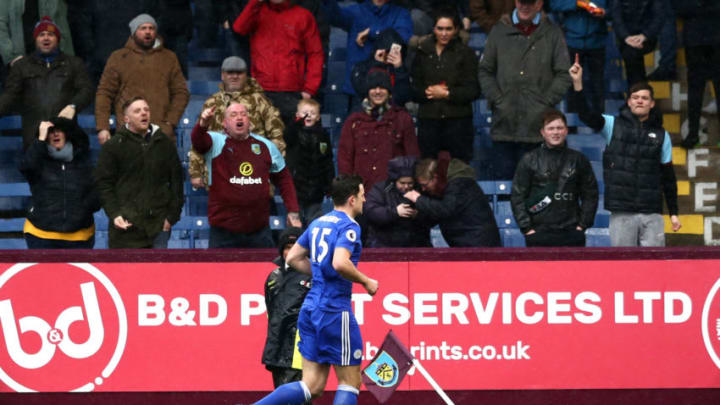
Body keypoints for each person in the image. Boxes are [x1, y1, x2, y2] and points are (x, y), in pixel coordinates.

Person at [251, 174, 379, 405]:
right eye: (362, 195)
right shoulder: (349, 226)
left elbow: (292, 257)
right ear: (351, 199)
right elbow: (340, 262)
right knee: (350, 382)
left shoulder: (319, 222)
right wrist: (366, 281)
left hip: (310, 308)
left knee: (312, 385)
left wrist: (319, 271)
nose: (365, 200)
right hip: (334, 309)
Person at [570, 60, 682, 246]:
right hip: (622, 211)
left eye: (644, 98)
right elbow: (585, 115)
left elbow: (668, 177)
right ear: (629, 102)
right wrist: (578, 84)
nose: (640, 100)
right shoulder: (612, 125)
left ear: (652, 104)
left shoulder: (663, 136)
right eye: (635, 97)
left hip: (652, 211)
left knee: (655, 269)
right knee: (624, 268)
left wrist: (674, 213)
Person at [478, 0, 571, 180]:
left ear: (539, 4)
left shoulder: (552, 32)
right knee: (504, 189)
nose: (525, 6)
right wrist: (498, 99)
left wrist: (545, 101)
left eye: (530, 2)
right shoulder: (498, 31)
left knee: (539, 192)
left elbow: (564, 73)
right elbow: (485, 70)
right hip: (504, 128)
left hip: (539, 129)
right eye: (522, 2)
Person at [191, 102, 302, 248]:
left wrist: (293, 212)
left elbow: (284, 179)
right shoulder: (215, 141)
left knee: (264, 271)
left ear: (249, 121)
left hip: (259, 231)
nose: (239, 118)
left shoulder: (266, 146)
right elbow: (198, 141)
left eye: (243, 114)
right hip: (223, 233)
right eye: (234, 115)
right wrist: (203, 123)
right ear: (225, 123)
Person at [94, 96, 184, 249]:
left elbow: (177, 182)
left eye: (146, 110)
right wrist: (115, 214)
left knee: (157, 273)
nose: (144, 113)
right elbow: (104, 184)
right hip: (125, 228)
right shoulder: (113, 146)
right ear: (126, 119)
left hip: (158, 228)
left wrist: (171, 217)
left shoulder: (164, 144)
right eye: (137, 111)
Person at [187, 56, 286, 189]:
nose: (234, 76)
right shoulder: (212, 103)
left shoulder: (260, 101)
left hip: (255, 175)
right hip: (221, 174)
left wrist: (272, 167)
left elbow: (276, 136)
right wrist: (195, 171)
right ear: (222, 75)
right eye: (230, 72)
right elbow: (200, 139)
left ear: (246, 75)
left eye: (239, 73)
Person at [95, 13, 189, 144]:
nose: (148, 32)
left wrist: (170, 122)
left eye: (151, 28)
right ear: (133, 32)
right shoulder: (118, 58)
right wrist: (103, 127)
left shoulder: (169, 58)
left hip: (161, 134)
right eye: (143, 28)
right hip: (128, 134)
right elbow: (104, 93)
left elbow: (181, 92)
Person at [0, 16, 92, 149]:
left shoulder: (74, 64)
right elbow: (9, 96)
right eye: (41, 34)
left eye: (51, 34)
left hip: (65, 137)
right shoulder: (21, 66)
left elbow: (86, 90)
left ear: (58, 39)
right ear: (35, 39)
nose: (46, 38)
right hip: (34, 139)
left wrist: (73, 106)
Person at [511, 109, 598, 247]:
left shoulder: (579, 159)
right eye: (550, 128)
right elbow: (517, 195)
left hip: (572, 232)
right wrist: (527, 229)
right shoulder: (529, 159)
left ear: (566, 131)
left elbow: (590, 194)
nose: (555, 132)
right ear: (542, 132)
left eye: (559, 128)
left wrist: (582, 226)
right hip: (538, 233)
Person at [232, 0, 324, 125]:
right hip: (261, 90)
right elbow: (239, 28)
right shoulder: (257, 12)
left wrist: (309, 89)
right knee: (260, 142)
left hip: (292, 92)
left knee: (293, 141)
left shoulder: (303, 16)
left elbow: (315, 53)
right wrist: (255, 2)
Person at [411, 7, 481, 162]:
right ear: (433, 29)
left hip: (458, 123)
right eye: (440, 28)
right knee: (428, 172)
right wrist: (428, 92)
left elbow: (473, 90)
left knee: (460, 170)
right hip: (429, 121)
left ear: (456, 29)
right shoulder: (422, 52)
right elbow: (414, 88)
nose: (444, 33)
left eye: (448, 29)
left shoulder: (466, 53)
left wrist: (447, 94)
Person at [19, 118, 100, 249]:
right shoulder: (39, 160)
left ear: (67, 134)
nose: (55, 134)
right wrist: (40, 139)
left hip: (80, 236)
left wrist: (84, 209)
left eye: (59, 130)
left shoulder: (83, 161)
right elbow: (26, 167)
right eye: (50, 132)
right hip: (41, 236)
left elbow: (97, 192)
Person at [337, 69, 419, 192]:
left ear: (389, 92)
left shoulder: (402, 118)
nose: (378, 92)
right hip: (362, 192)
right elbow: (345, 158)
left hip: (392, 192)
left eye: (382, 88)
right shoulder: (354, 121)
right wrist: (348, 190)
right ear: (367, 92)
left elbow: (412, 156)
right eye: (373, 88)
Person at [323, 0, 413, 109]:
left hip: (389, 91)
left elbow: (402, 36)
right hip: (359, 89)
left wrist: (372, 32)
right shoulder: (355, 11)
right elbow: (333, 17)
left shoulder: (401, 14)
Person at [404, 152, 501, 247]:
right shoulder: (445, 186)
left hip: (479, 244)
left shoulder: (458, 184)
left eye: (424, 185)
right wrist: (418, 215)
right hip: (470, 242)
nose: (423, 189)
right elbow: (437, 214)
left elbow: (446, 209)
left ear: (435, 178)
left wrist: (418, 199)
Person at [262, 227, 312, 388]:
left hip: (299, 350)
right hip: (277, 348)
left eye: (295, 246)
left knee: (298, 396)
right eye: (287, 247)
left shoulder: (313, 275)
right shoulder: (273, 277)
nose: (291, 252)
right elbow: (271, 313)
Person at [672, 0, 720, 149]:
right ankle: (693, 134)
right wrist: (704, 5)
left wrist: (698, 6)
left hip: (717, 41)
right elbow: (678, 7)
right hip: (694, 42)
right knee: (695, 90)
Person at [549, 0, 609, 115]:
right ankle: (571, 121)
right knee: (571, 83)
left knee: (597, 84)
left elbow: (614, 9)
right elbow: (553, 4)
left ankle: (600, 121)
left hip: (597, 41)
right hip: (572, 42)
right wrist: (576, 4)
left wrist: (604, 12)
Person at [285, 98, 335, 226]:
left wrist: (330, 185)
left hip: (316, 187)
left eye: (312, 113)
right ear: (297, 115)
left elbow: (328, 161)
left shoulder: (323, 135)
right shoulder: (294, 133)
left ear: (318, 117)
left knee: (314, 220)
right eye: (304, 113)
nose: (308, 116)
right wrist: (297, 122)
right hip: (296, 185)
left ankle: (313, 242)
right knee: (296, 221)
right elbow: (287, 135)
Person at [365, 155, 433, 247]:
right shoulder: (382, 190)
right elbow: (371, 211)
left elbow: (433, 213)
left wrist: (418, 214)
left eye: (410, 183)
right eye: (402, 183)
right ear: (394, 181)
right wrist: (395, 212)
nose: (406, 187)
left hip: (415, 244)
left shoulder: (420, 190)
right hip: (384, 244)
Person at [0, 1, 75, 68]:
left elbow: (61, 25)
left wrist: (66, 58)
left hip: (52, 60)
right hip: (20, 60)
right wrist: (11, 56)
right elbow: (1, 25)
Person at [350, 28, 411, 107]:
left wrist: (399, 68)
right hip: (367, 112)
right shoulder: (363, 67)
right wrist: (377, 64)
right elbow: (362, 90)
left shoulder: (402, 68)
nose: (390, 55)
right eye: (387, 51)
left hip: (395, 114)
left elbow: (403, 97)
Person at [610, 0, 664, 86]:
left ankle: (636, 92)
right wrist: (626, 37)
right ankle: (639, 91)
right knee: (630, 53)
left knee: (631, 54)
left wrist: (644, 35)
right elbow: (616, 16)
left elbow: (659, 17)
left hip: (647, 37)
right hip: (626, 38)